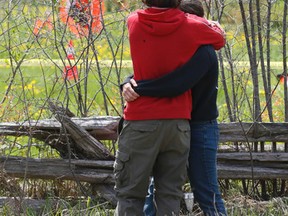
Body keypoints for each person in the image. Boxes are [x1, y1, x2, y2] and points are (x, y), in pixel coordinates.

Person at [114, 0, 225, 215]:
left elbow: (163, 76)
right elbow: (219, 39)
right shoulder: (192, 28)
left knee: (130, 194)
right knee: (169, 195)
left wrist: (132, 84)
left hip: (141, 118)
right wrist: (211, 25)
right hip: (177, 122)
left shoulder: (133, 21)